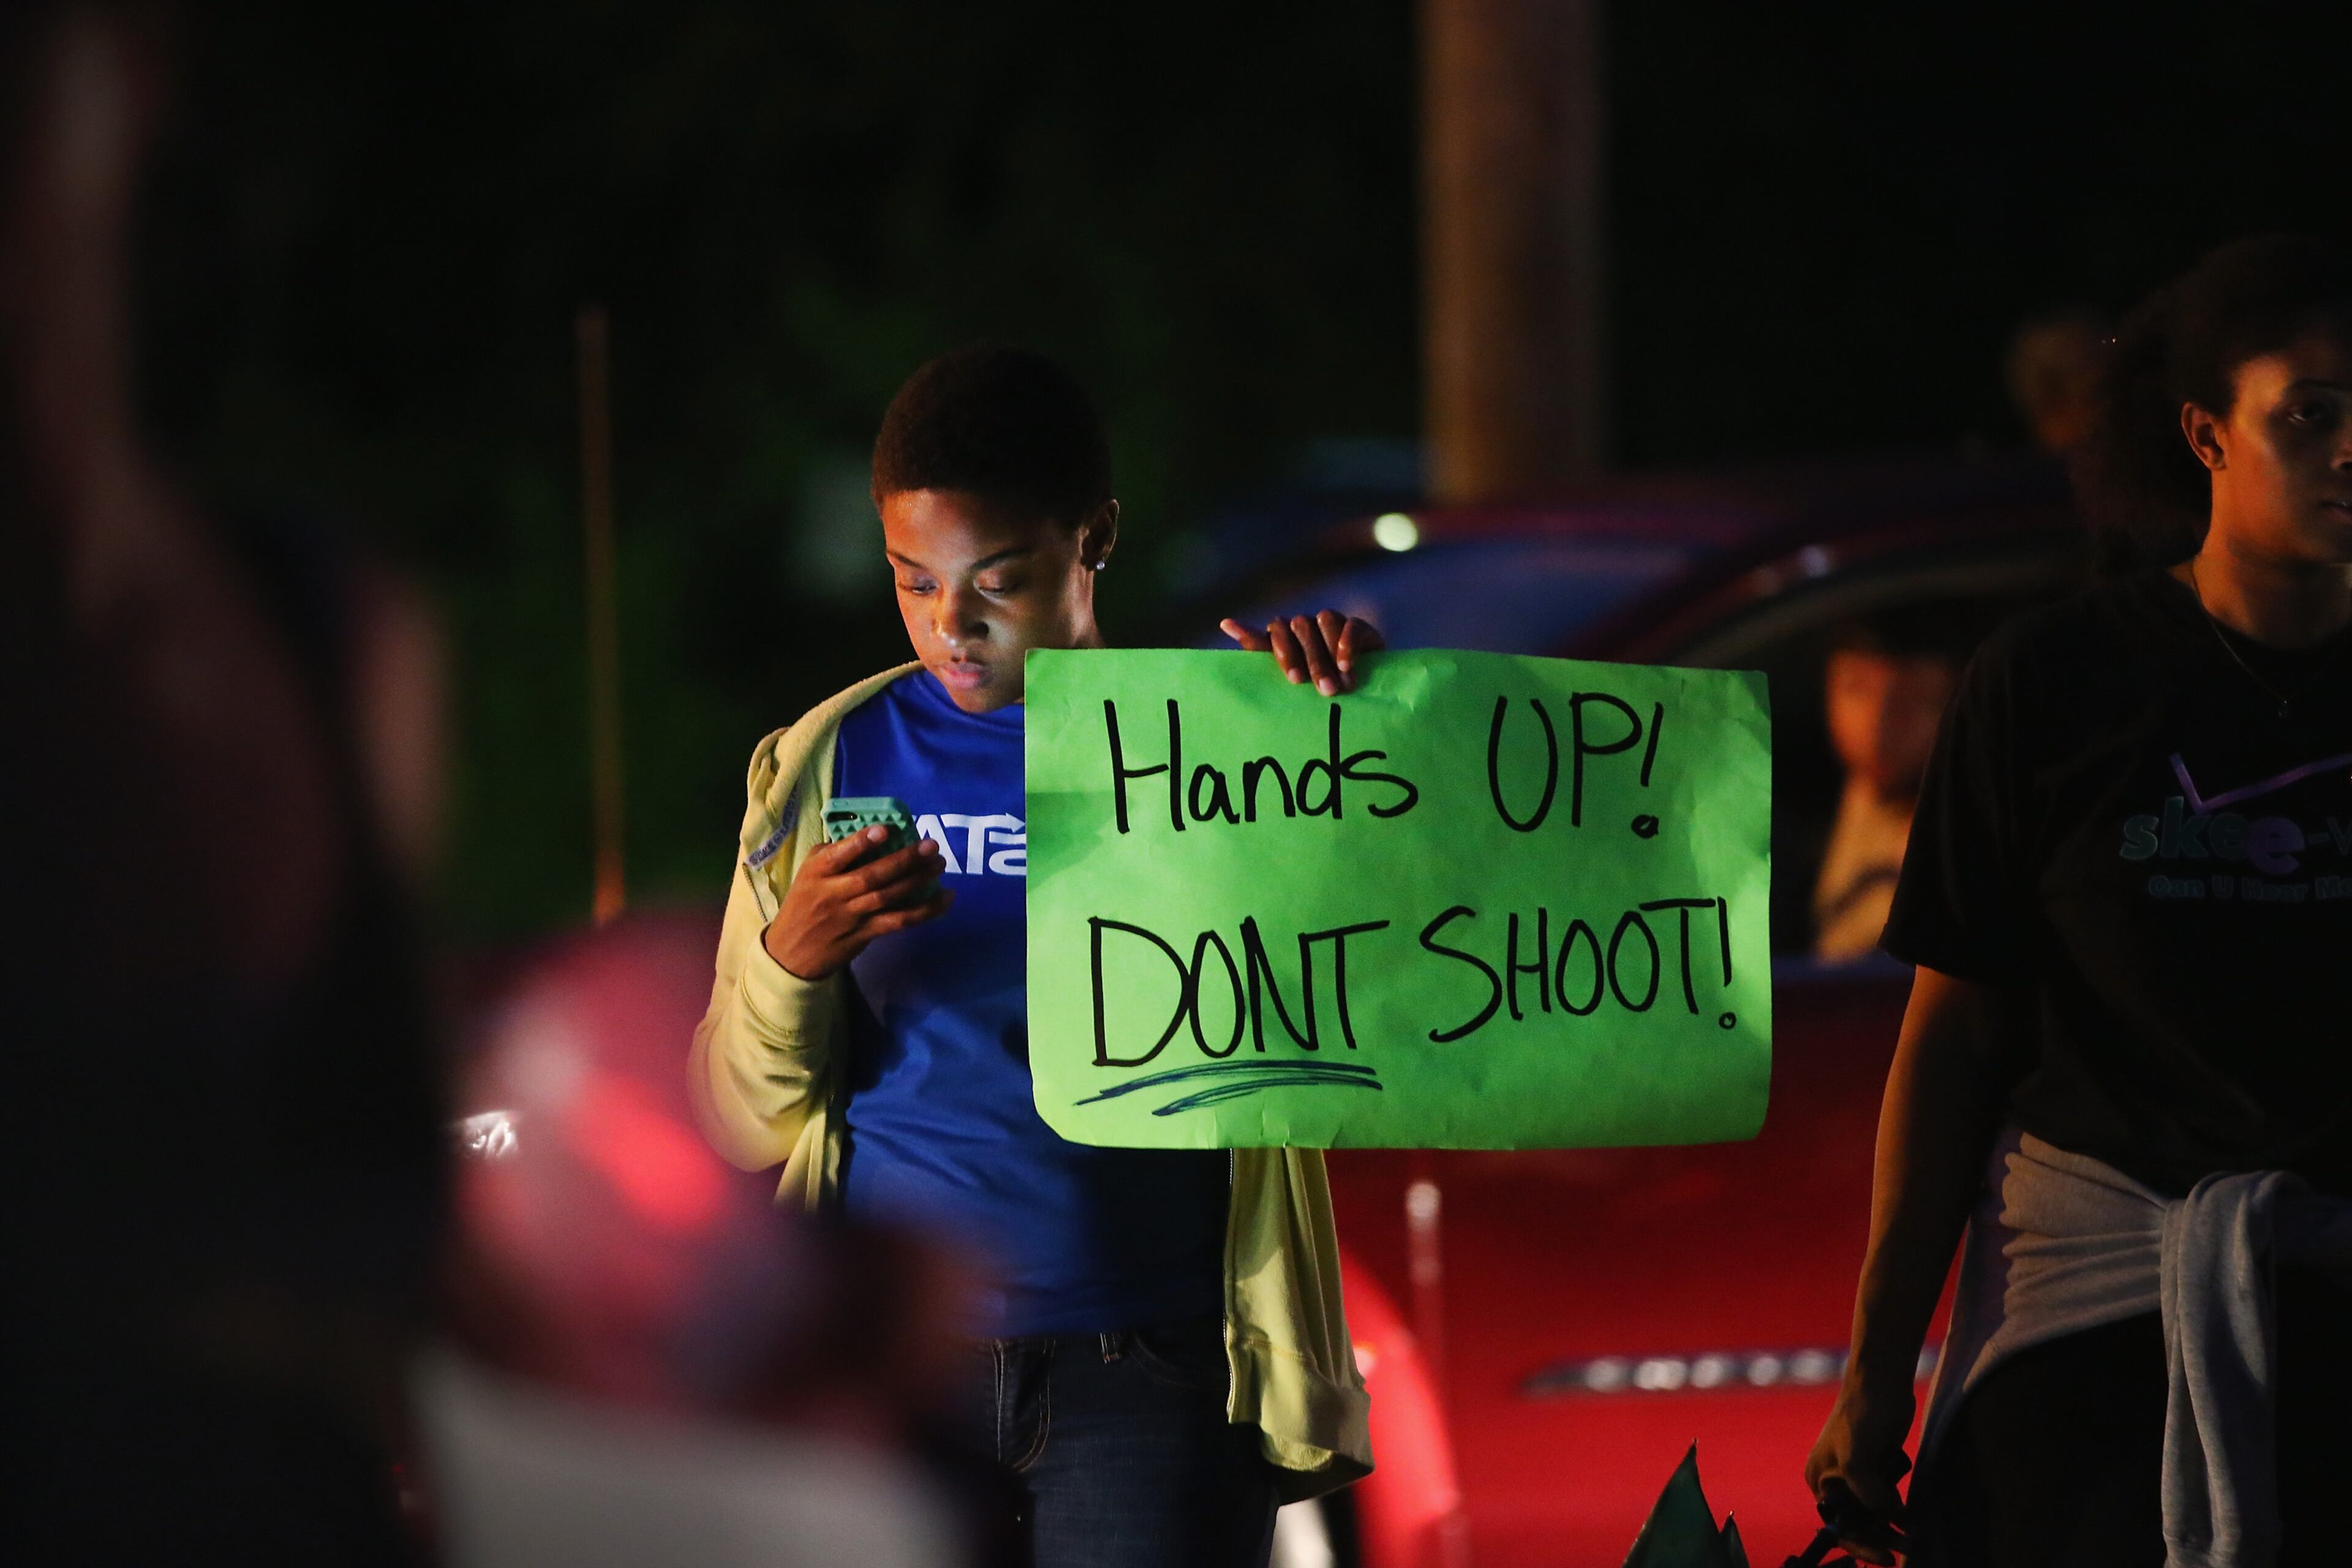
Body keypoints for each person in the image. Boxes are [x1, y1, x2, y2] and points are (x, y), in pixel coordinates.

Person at [690, 345, 1379, 1568]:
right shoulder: (828, 760)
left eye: (995, 580)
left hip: (1150, 1372)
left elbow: (1380, 964)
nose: (952, 624)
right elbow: (743, 1117)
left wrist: (1344, 722)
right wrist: (792, 962)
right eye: (913, 581)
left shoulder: (1219, 743)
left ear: (1093, 536)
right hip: (900, 1369)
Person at [1805, 234, 2352, 1568]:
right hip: (2091, 1345)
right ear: (2206, 435)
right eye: (2312, 415)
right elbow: (1951, 1037)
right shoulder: (2055, 684)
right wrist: (1879, 1365)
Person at [1810, 619, 1963, 963]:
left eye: (1911, 701)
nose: (1877, 723)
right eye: (1855, 689)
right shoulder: (1802, 799)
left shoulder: (1958, 828)